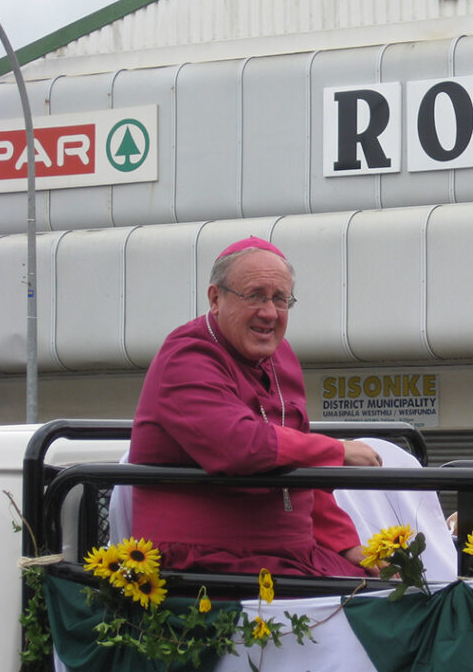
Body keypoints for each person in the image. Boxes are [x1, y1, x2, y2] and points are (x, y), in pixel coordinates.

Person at [129, 236, 381, 577]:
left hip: (291, 556)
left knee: (398, 593)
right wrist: (337, 450)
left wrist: (346, 546)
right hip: (208, 563)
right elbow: (239, 445)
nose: (269, 312)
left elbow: (302, 466)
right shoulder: (186, 355)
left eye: (280, 299)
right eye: (256, 296)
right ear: (216, 298)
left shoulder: (282, 357)